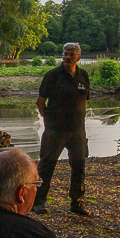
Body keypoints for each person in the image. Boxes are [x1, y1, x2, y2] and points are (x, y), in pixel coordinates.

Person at [34, 42, 91, 217]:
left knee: (79, 167)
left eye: (71, 54)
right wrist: (49, 121)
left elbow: (85, 100)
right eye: (65, 54)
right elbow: (40, 102)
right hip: (55, 131)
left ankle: (77, 203)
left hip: (77, 131)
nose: (67, 57)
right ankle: (38, 202)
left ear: (78, 57)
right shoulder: (52, 76)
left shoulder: (83, 76)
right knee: (46, 166)